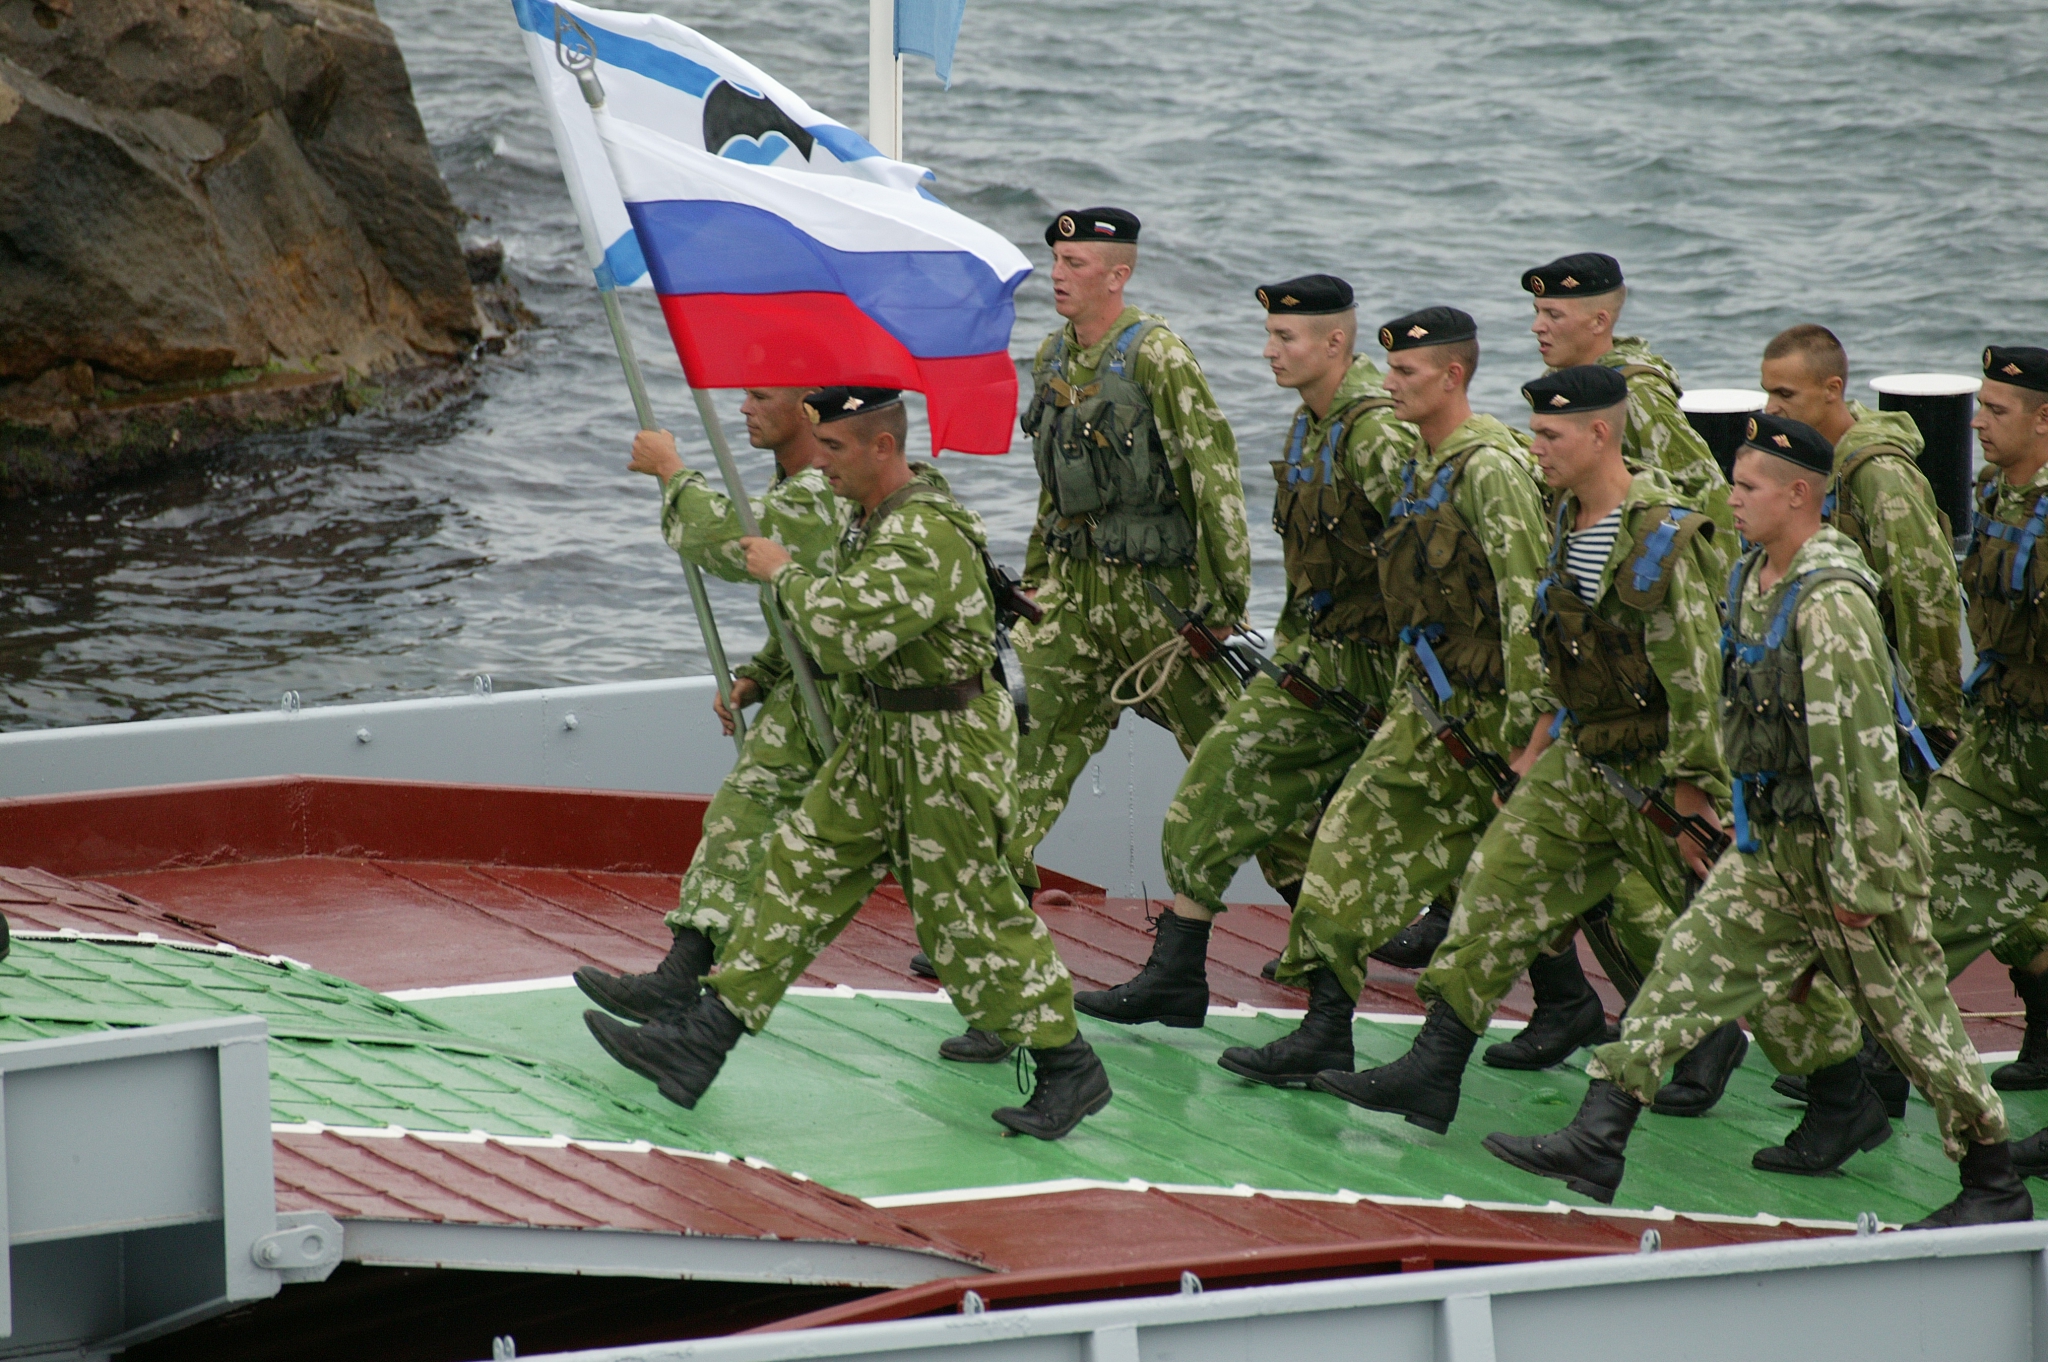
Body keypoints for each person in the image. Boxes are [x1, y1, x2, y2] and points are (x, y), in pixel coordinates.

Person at [1482, 413, 2030, 1229]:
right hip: (1775, 849)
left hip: (1847, 856)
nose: (1731, 500)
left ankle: (1992, 1182)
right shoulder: (1751, 579)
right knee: (1683, 972)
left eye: (1748, 488)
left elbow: (1863, 756)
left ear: (1799, 495)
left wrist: (1864, 877)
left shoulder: (1832, 602)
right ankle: (1599, 1135)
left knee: (1915, 1025)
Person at [583, 388, 1111, 1140]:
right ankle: (700, 1041)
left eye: (834, 449)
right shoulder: (872, 522)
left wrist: (779, 573)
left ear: (881, 449)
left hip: (947, 746)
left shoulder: (921, 535)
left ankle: (1070, 1068)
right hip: (884, 738)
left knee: (972, 919)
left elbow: (841, 633)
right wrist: (767, 663)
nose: (820, 463)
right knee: (796, 871)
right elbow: (834, 608)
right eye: (820, 447)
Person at [1313, 365, 1737, 1131]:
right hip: (1577, 758)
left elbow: (1697, 676)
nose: (1533, 447)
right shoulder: (1561, 519)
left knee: (1731, 927)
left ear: (1600, 434)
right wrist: (1534, 745)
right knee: (1492, 895)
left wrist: (1694, 789)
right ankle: (1434, 1070)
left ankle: (1841, 1085)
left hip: (1653, 764)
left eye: (1550, 435)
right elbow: (1554, 645)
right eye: (1534, 432)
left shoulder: (1661, 535)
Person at [1204, 307, 1552, 1080]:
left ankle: (1741, 1052)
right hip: (1429, 707)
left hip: (1492, 716)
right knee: (1345, 848)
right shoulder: (1427, 464)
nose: (1387, 384)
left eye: (1406, 373)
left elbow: (1530, 610)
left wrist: (1531, 744)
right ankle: (1329, 1029)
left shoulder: (1490, 469)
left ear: (1453, 376)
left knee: (1593, 887)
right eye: (1389, 370)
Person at [1076, 275, 1419, 1028]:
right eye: (1268, 336)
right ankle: (1178, 975)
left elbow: (1436, 567)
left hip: (1387, 675)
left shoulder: (1378, 434)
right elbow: (1312, 569)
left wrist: (1420, 680)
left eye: (1286, 338)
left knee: (1424, 846)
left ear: (1336, 342)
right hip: (1316, 665)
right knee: (1212, 797)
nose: (1269, 352)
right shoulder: (1310, 427)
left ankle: (1560, 993)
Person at [575, 390, 850, 1025]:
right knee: (743, 809)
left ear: (808, 407)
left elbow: (731, 541)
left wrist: (672, 470)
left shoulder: (816, 490)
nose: (743, 405)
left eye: (760, 394)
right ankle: (684, 971)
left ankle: (1023, 1021)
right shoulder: (796, 484)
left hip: (868, 699)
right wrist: (765, 671)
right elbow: (808, 598)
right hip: (813, 685)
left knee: (938, 864)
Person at [1008, 207, 1252, 904]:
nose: (1057, 275)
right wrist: (1036, 585)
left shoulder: (1157, 357)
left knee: (1233, 755)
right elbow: (1053, 486)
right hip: (1076, 594)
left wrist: (1223, 602)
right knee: (1034, 740)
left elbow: (1214, 478)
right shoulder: (1052, 356)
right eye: (1055, 261)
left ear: (1119, 275)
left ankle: (1321, 918)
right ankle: (994, 910)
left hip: (1159, 601)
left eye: (1075, 265)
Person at [1752, 324, 1966, 1116]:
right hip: (1853, 705)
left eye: (1787, 394)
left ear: (1834, 392)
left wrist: (1936, 720)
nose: (1771, 408)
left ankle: (1882, 1080)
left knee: (1899, 895)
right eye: (1766, 392)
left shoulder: (1876, 478)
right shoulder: (1821, 472)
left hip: (1899, 717)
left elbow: (1928, 594)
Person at [1523, 253, 1729, 533]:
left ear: (1599, 322)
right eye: (1538, 312)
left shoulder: (1638, 395)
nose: (1537, 326)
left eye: (1553, 315)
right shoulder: (1558, 383)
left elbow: (1707, 495)